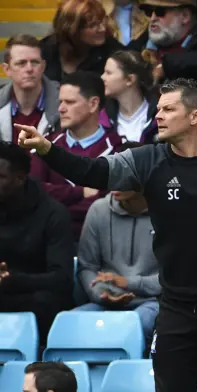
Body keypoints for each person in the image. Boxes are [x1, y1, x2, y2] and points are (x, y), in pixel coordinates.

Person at [16, 77, 197, 392]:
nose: (158, 116)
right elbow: (90, 170)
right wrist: (47, 148)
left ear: (194, 116)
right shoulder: (146, 160)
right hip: (176, 306)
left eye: (168, 109)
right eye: (158, 108)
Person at [74, 142, 160, 345]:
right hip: (106, 301)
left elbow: (177, 276)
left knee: (135, 325)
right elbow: (87, 267)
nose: (115, 180)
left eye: (124, 173)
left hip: (155, 302)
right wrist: (101, 294)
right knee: (70, 323)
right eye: (114, 171)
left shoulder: (171, 214)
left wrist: (129, 283)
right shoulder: (98, 210)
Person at [28, 71, 122, 238]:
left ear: (93, 104)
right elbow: (33, 193)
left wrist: (54, 205)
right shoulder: (44, 146)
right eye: (60, 102)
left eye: (70, 102)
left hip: (103, 240)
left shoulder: (118, 150)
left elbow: (108, 203)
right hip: (49, 243)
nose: (61, 109)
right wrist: (81, 192)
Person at [0, 142, 75, 344]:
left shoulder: (53, 214)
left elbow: (62, 278)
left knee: (46, 302)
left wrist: (14, 279)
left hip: (33, 297)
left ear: (21, 178)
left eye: (1, 177)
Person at [40, 0, 124, 82]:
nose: (103, 29)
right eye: (92, 25)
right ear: (72, 29)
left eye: (103, 23)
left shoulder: (114, 52)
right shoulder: (44, 51)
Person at [0, 34, 60, 142]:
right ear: (7, 69)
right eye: (21, 63)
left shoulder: (65, 102)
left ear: (43, 66)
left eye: (35, 62)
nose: (29, 69)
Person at [100, 50, 158, 144]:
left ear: (130, 79)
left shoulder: (160, 117)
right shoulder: (101, 120)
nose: (102, 77)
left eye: (109, 73)